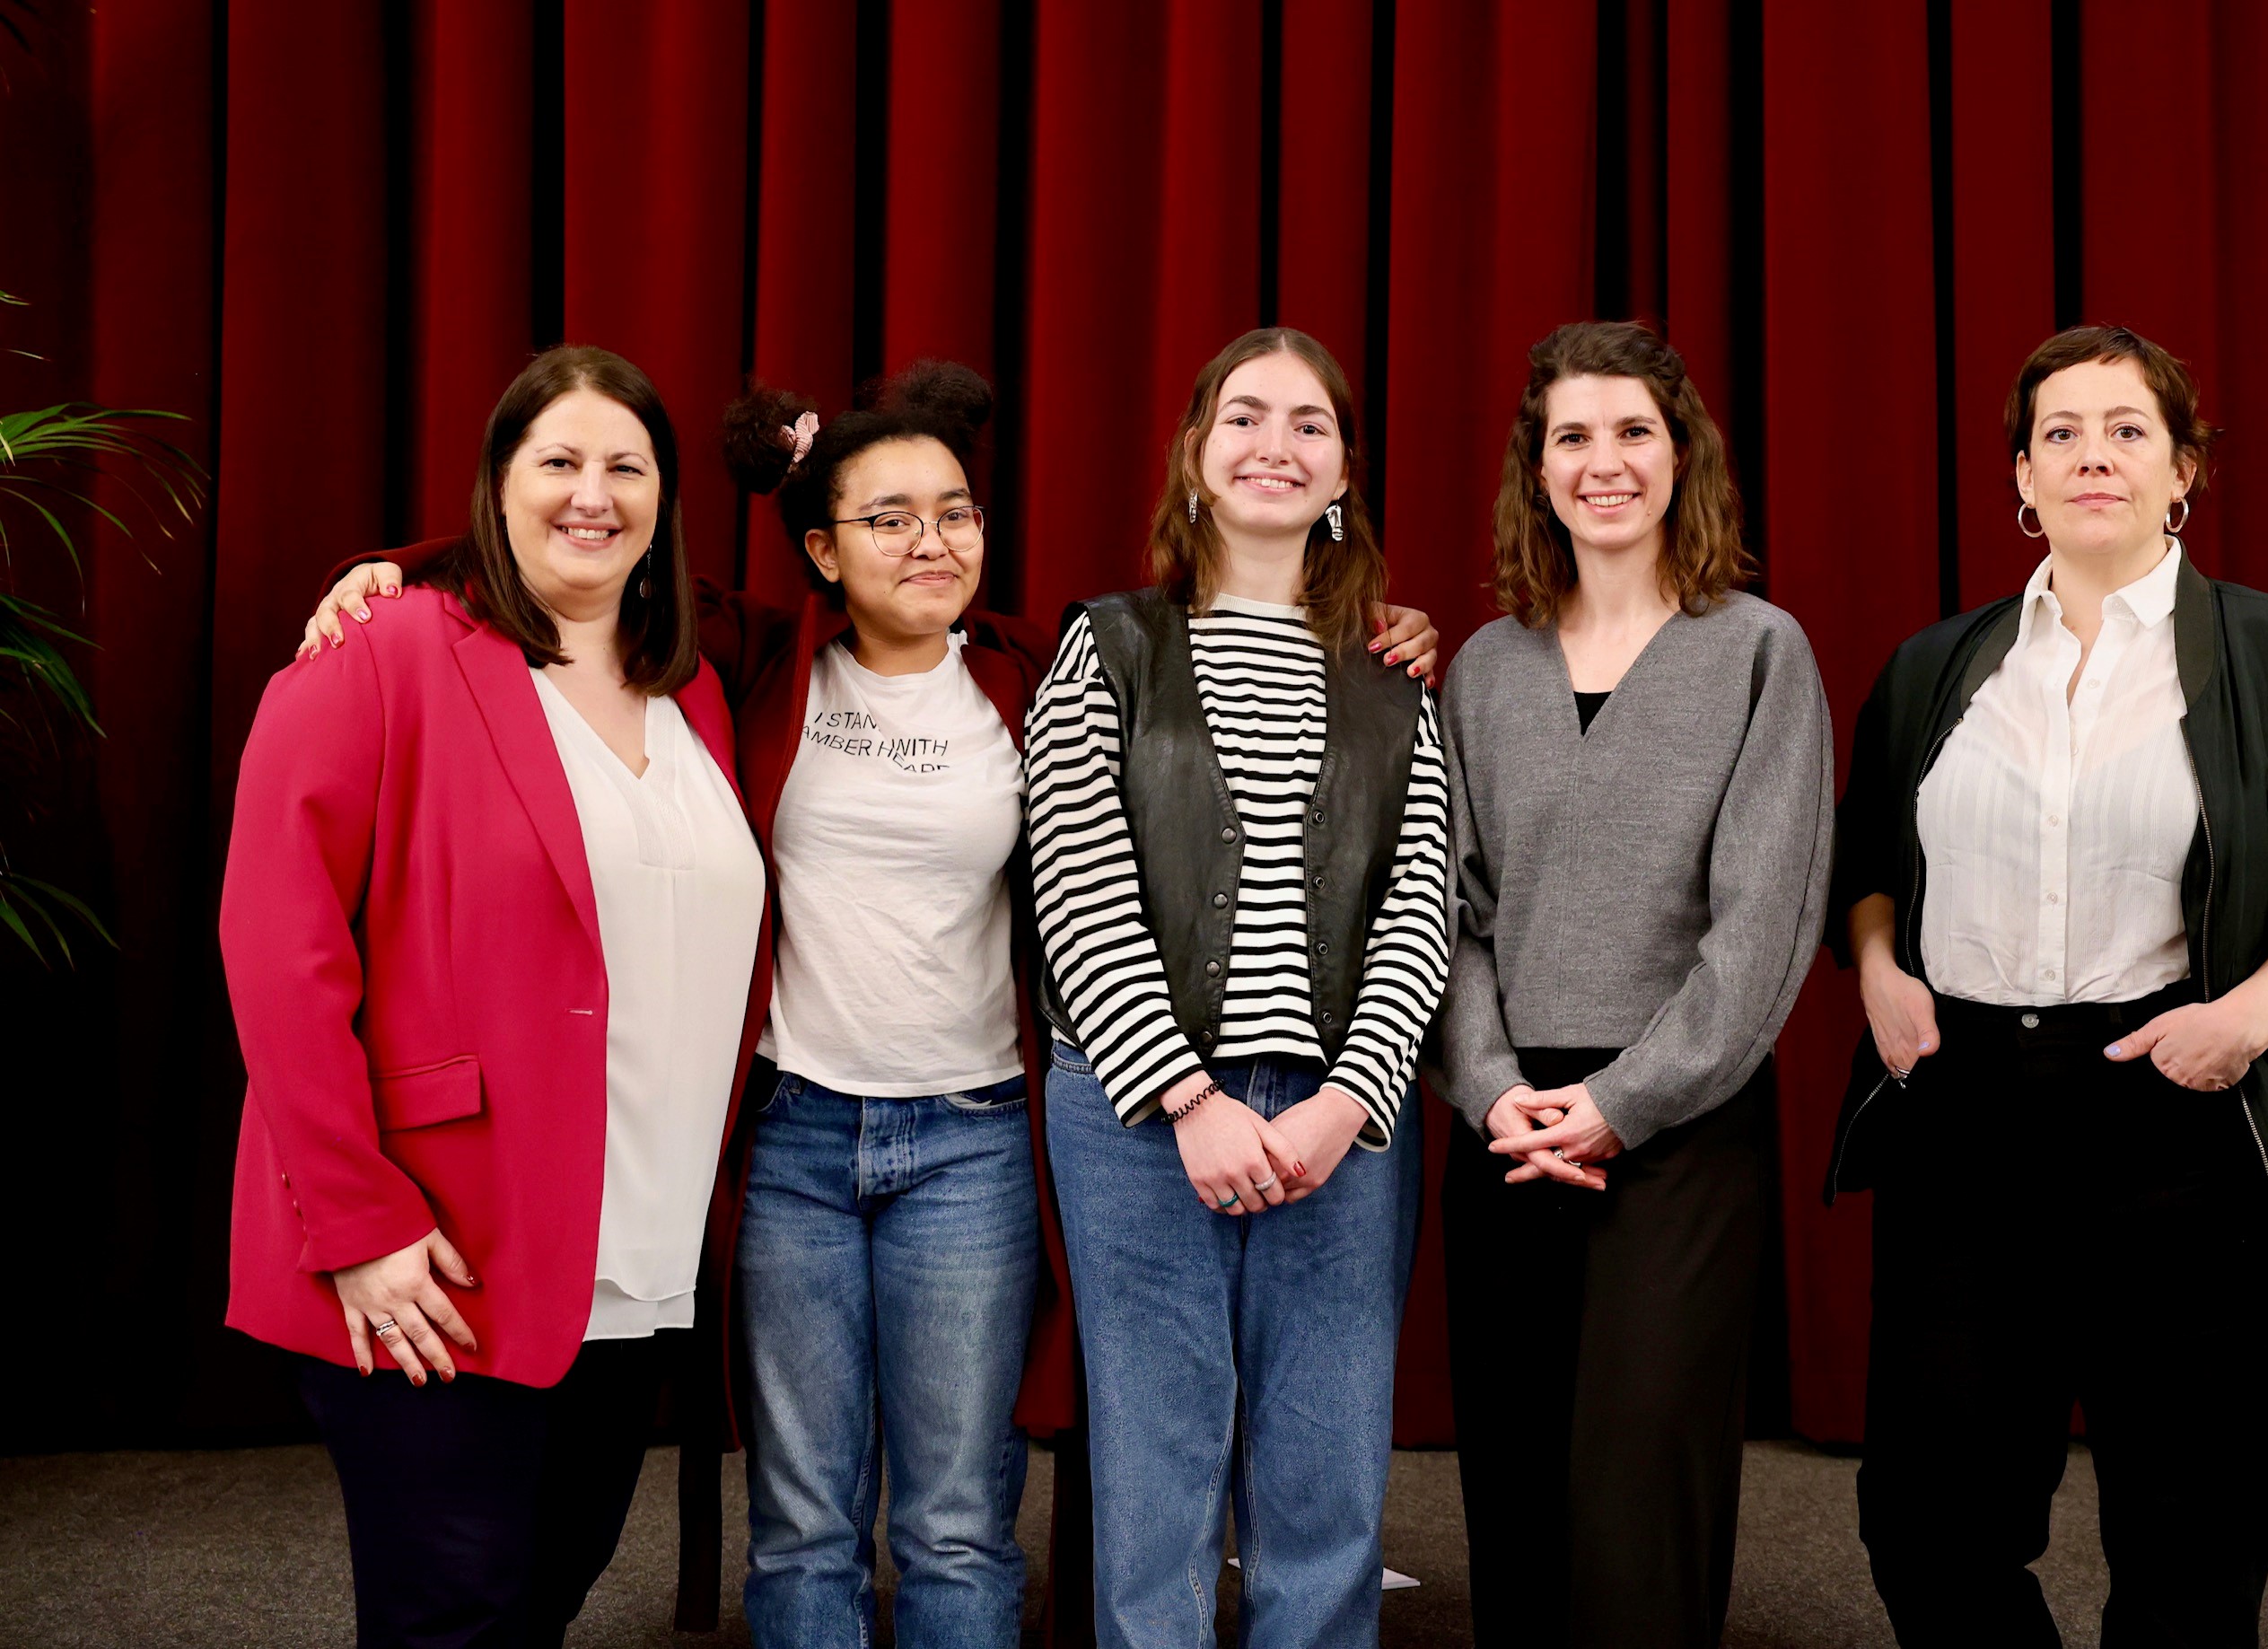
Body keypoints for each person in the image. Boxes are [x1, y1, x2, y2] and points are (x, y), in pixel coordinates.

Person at [301, 366, 1440, 1649]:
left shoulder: (1038, 666)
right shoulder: (750, 660)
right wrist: (394, 565)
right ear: (823, 548)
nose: (930, 540)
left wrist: (1379, 624)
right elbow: (578, 549)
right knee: (804, 1518)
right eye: (888, 516)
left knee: (957, 1516)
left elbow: (1228, 671)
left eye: (954, 512)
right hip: (793, 1138)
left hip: (971, 1141)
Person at [1828, 324, 2268, 1647]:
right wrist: (1878, 968)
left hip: (2183, 1116)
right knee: (1928, 1515)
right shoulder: (1940, 668)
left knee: (2185, 1532)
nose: (2091, 453)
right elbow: (1868, 862)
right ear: (2020, 482)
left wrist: (2241, 1025)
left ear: (2183, 474)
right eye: (2060, 432)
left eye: (2126, 430)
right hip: (1968, 1109)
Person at [221, 345, 768, 1646]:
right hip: (435, 1246)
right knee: (451, 1615)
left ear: (665, 499)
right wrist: (355, 1217)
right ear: (498, 485)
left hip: (632, 1249)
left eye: (626, 466)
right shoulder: (390, 644)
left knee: (545, 1591)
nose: (594, 493)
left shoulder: (693, 685)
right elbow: (275, 942)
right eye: (559, 462)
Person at [1024, 327, 1452, 1649]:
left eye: (1310, 424)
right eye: (1247, 418)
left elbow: (1421, 906)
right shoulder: (1111, 646)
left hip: (1343, 1123)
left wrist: (1350, 1102)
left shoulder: (1397, 680)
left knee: (1327, 1477)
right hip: (1139, 1116)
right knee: (1154, 1472)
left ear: (1341, 475)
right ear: (1198, 461)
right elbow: (1075, 881)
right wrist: (1185, 1094)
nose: (1278, 443)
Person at [1432, 320, 1835, 1648]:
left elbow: (1761, 929)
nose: (1604, 462)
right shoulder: (1486, 668)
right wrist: (1495, 1090)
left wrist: (1616, 1099)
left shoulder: (1759, 654)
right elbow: (1452, 912)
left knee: (1637, 1488)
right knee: (1517, 1483)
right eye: (1574, 437)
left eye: (1633, 432)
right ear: (1536, 469)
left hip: (1677, 1126)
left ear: (1684, 454)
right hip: (1503, 1127)